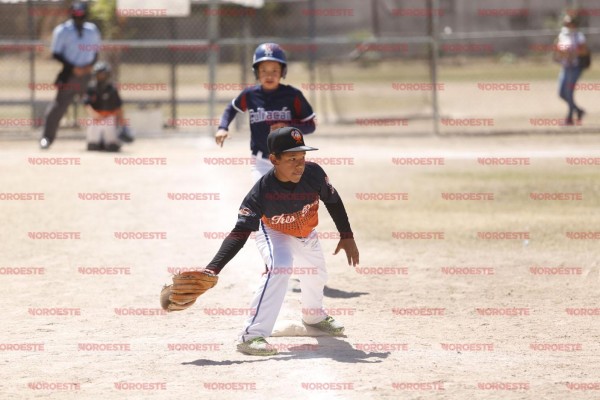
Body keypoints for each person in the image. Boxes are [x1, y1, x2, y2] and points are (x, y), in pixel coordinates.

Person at [204, 127, 359, 356]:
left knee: (316, 273)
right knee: (280, 266)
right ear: (274, 159)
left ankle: (314, 316)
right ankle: (252, 335)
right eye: (292, 158)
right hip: (274, 230)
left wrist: (346, 236)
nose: (299, 164)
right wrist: (212, 268)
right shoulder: (261, 193)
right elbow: (239, 233)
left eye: (303, 157)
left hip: (305, 230)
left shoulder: (314, 174)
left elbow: (333, 201)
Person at [215, 43, 317, 182]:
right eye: (263, 70)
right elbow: (231, 109)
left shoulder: (293, 95)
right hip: (261, 161)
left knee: (288, 202)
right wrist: (222, 128)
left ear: (283, 71)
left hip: (290, 161)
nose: (269, 75)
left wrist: (289, 126)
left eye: (274, 70)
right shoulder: (250, 94)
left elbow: (310, 125)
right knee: (263, 200)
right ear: (256, 72)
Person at [40, 1, 101, 149]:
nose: (78, 16)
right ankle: (47, 138)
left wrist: (89, 66)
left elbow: (96, 52)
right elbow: (56, 53)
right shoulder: (63, 31)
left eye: (81, 13)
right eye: (76, 13)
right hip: (70, 75)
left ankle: (104, 139)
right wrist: (73, 68)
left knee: (98, 105)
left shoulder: (92, 30)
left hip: (88, 74)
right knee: (58, 107)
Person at [83, 61, 133, 152]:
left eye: (103, 74)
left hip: (109, 117)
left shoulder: (112, 89)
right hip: (96, 118)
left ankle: (110, 142)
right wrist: (94, 115)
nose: (101, 76)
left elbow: (118, 107)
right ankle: (98, 142)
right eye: (99, 74)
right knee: (92, 146)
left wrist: (122, 124)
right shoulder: (92, 87)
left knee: (112, 147)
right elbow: (87, 104)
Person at [554, 14, 589, 125]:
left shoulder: (578, 36)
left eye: (569, 23)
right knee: (561, 93)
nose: (568, 25)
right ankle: (578, 110)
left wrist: (573, 52)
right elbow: (559, 49)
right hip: (565, 67)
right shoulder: (563, 35)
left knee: (569, 92)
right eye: (566, 23)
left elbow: (584, 51)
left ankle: (569, 119)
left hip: (575, 67)